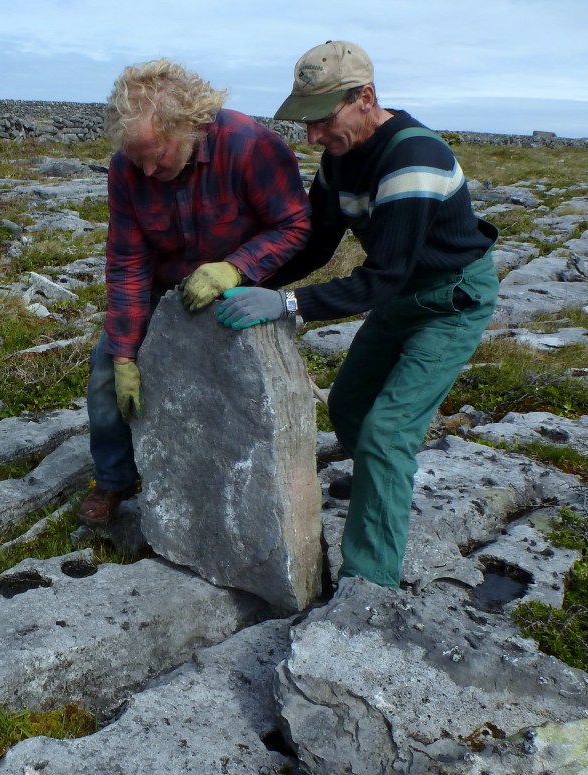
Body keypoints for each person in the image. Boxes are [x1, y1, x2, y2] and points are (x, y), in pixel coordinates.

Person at [216, 40, 499, 589]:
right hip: (400, 293)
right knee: (349, 405)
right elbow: (317, 245)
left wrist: (289, 305)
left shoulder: (415, 158)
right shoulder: (339, 161)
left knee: (386, 434)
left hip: (450, 300)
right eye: (306, 123)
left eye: (322, 120)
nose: (314, 136)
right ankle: (376, 483)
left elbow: (384, 273)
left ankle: (370, 588)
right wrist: (245, 277)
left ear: (365, 97)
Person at [79, 59, 311, 526]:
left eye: (157, 154)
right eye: (135, 157)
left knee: (234, 390)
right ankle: (113, 478)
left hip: (236, 287)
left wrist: (237, 267)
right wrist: (125, 355)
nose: (145, 170)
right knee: (105, 375)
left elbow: (295, 223)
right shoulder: (127, 168)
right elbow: (126, 260)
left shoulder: (250, 147)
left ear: (191, 125)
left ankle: (236, 490)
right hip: (164, 287)